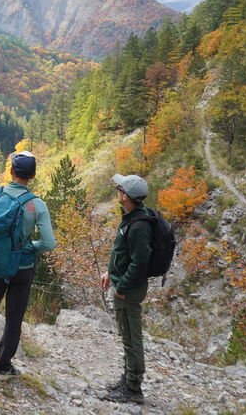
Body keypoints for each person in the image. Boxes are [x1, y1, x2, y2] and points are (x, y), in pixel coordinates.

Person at [0, 151, 55, 380]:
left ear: (11, 171)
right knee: (14, 316)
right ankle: (3, 366)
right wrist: (29, 246)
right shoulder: (37, 205)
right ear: (32, 175)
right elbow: (48, 243)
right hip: (22, 267)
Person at [99, 173, 153, 404]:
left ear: (126, 196)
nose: (117, 191)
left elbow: (140, 261)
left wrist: (121, 285)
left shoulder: (138, 225)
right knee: (126, 334)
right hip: (125, 285)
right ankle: (127, 378)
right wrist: (110, 272)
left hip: (129, 290)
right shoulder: (132, 217)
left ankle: (133, 388)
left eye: (119, 188)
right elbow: (124, 254)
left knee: (131, 336)